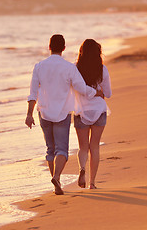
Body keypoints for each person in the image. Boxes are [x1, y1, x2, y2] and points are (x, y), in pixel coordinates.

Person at [25, 34, 103, 195]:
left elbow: (33, 93)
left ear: (49, 47)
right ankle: (57, 176)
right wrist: (95, 92)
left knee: (50, 150)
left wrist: (29, 114)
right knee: (62, 150)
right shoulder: (69, 68)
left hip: (44, 112)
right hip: (62, 113)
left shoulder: (39, 66)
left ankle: (56, 182)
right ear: (64, 48)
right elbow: (81, 88)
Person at [73, 39, 112, 189]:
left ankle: (82, 169)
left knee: (83, 147)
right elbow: (108, 94)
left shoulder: (75, 68)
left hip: (81, 111)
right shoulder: (103, 69)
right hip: (99, 111)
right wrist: (99, 91)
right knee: (94, 147)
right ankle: (92, 183)